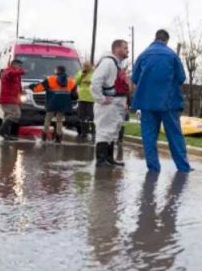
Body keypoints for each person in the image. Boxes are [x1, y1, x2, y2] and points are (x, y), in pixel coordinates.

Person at [132, 29, 191, 173]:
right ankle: (183, 167)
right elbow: (182, 78)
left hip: (147, 103)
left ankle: (153, 168)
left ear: (155, 38)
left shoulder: (143, 55)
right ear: (166, 40)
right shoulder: (172, 55)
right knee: (174, 135)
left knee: (149, 136)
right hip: (168, 103)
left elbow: (134, 78)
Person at [91, 39, 130, 167]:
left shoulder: (116, 64)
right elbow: (96, 81)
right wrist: (101, 98)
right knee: (104, 130)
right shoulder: (108, 62)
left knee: (113, 130)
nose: (127, 50)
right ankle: (101, 160)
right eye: (125, 48)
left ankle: (109, 158)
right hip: (108, 104)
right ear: (117, 49)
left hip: (115, 103)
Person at [30, 65, 78, 143]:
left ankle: (44, 137)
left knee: (48, 119)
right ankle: (59, 138)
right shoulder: (71, 81)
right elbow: (75, 96)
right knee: (59, 121)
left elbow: (37, 89)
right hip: (63, 104)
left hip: (52, 103)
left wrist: (31, 86)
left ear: (57, 71)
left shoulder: (50, 79)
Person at [0, 59, 25, 140]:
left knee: (7, 116)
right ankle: (1, 131)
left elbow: (14, 85)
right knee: (16, 114)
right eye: (19, 66)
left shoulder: (14, 73)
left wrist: (21, 91)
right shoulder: (8, 71)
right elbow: (10, 74)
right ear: (14, 64)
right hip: (8, 99)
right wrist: (21, 71)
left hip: (12, 98)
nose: (20, 68)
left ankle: (6, 135)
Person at [74, 61, 95, 139]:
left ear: (90, 66)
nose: (85, 67)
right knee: (81, 116)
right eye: (84, 66)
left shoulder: (94, 73)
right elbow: (75, 82)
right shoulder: (80, 72)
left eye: (87, 66)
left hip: (91, 98)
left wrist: (90, 81)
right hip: (82, 98)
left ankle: (93, 133)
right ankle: (84, 133)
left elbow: (98, 82)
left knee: (91, 117)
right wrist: (81, 75)